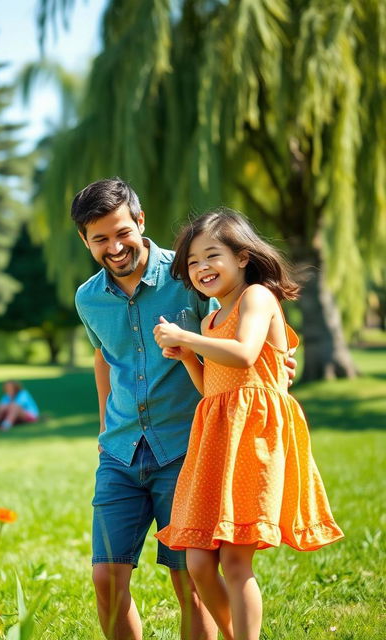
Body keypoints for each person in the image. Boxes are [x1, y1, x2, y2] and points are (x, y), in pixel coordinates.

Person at [71, 178, 296, 640]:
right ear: (85, 240)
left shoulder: (191, 271)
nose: (114, 247)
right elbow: (103, 357)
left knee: (191, 580)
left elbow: (243, 317)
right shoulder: (87, 298)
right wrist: (101, 429)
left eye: (122, 232)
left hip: (188, 448)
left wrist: (281, 356)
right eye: (100, 239)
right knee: (106, 577)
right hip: (120, 450)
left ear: (140, 221)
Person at [153, 208, 344, 640]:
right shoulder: (209, 320)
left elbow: (244, 354)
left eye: (212, 256)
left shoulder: (257, 296)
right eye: (193, 262)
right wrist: (188, 358)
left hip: (255, 437)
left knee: (237, 562)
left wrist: (185, 339)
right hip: (218, 436)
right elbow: (212, 389)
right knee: (199, 561)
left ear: (242, 256)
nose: (202, 268)